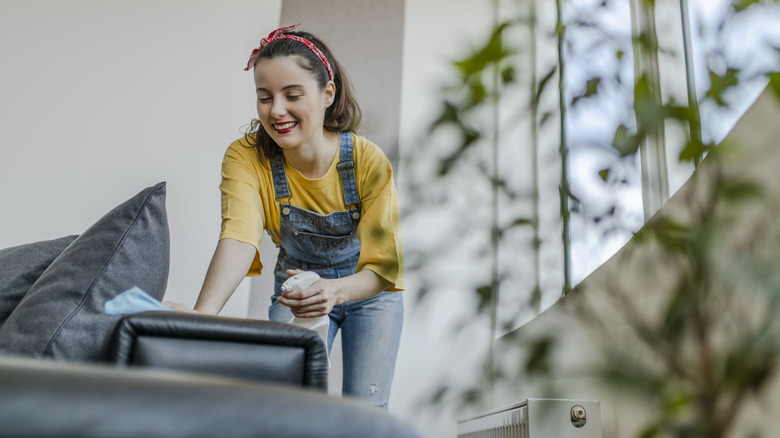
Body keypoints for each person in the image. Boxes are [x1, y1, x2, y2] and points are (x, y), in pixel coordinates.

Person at [185, 23, 404, 409]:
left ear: (326, 94)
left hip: (369, 293)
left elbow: (383, 266)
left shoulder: (367, 161)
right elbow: (238, 236)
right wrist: (199, 319)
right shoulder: (247, 157)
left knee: (366, 413)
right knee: (285, 402)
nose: (277, 110)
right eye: (264, 96)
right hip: (296, 291)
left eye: (292, 95)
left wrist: (334, 291)